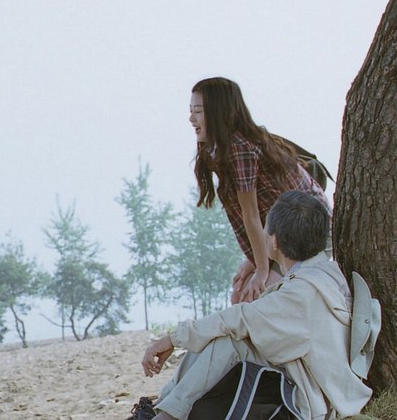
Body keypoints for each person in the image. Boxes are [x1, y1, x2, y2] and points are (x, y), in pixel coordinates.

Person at [140, 190, 372, 420]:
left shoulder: (301, 294)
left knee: (227, 339)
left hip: (313, 403)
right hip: (314, 382)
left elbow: (241, 318)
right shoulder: (325, 273)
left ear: (274, 242)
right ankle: (163, 406)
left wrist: (173, 338)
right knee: (217, 333)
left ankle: (167, 415)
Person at [189, 77, 331, 303]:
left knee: (255, 299)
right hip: (282, 233)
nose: (191, 119)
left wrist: (262, 269)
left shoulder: (240, 148)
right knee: (239, 296)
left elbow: (252, 214)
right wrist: (255, 258)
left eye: (198, 111)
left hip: (308, 230)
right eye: (191, 111)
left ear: (219, 112)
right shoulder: (220, 149)